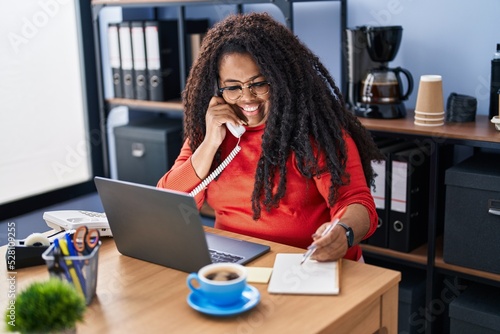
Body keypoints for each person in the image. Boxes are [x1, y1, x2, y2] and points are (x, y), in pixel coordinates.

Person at [157, 12, 383, 262]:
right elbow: (167, 205)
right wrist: (210, 144)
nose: (247, 97)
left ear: (280, 79)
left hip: (306, 263)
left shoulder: (316, 132)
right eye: (233, 87)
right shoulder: (212, 131)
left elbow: (357, 202)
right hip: (235, 264)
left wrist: (344, 232)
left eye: (259, 84)